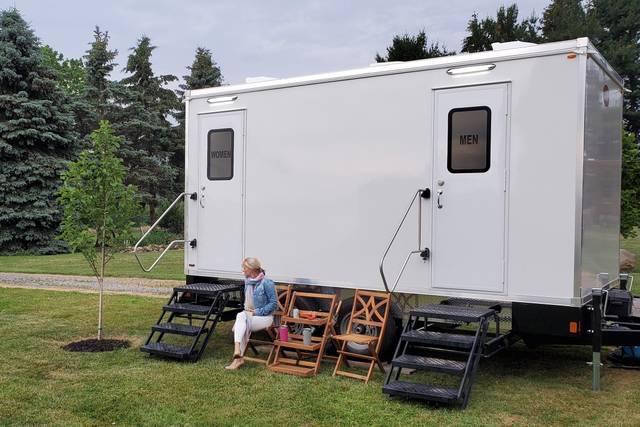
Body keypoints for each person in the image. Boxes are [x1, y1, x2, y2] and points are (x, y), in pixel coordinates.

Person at [225, 257, 277, 370]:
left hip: (265, 317)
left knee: (241, 319)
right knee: (242, 318)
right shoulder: (248, 282)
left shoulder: (267, 283)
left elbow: (273, 304)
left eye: (244, 268)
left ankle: (237, 356)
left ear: (252, 269)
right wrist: (248, 313)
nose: (243, 271)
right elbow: (247, 303)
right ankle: (238, 355)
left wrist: (256, 312)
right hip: (249, 316)